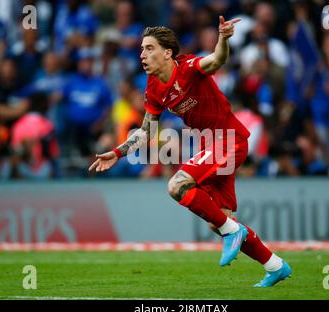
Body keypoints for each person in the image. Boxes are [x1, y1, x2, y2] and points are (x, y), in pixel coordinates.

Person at [89, 16, 291, 287]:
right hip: (211, 145)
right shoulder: (153, 88)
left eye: (149, 48)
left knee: (177, 185)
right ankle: (275, 265)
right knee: (217, 220)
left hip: (229, 140)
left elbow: (216, 60)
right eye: (141, 49)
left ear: (168, 53)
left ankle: (233, 232)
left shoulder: (188, 67)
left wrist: (223, 38)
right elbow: (145, 131)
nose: (142, 55)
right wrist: (117, 152)